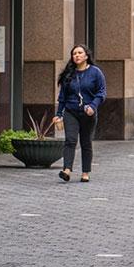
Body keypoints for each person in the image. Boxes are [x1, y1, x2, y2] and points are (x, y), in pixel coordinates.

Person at [53, 44, 106, 183]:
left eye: (80, 53)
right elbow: (62, 97)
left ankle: (85, 172)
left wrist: (93, 106)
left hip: (88, 113)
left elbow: (101, 93)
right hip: (71, 112)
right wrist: (58, 114)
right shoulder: (69, 74)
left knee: (86, 142)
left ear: (86, 56)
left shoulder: (95, 72)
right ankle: (67, 170)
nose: (76, 55)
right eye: (74, 53)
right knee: (70, 140)